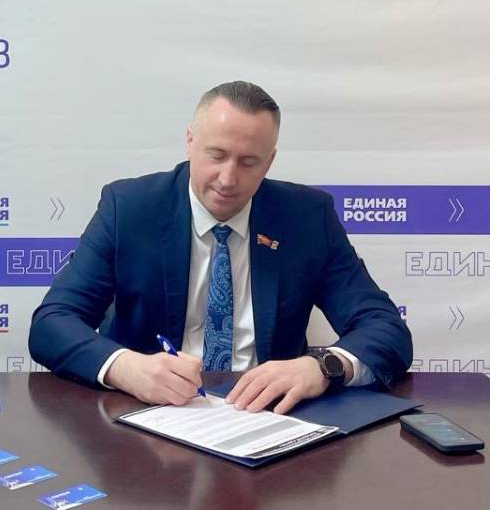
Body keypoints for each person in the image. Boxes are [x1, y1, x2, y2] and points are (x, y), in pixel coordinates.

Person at [29, 81, 411, 415]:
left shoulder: (307, 218)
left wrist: (322, 367)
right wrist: (127, 368)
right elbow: (52, 323)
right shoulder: (129, 208)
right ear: (190, 141)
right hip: (146, 415)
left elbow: (385, 328)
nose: (228, 179)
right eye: (217, 156)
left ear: (270, 161)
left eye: (248, 162)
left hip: (268, 417)